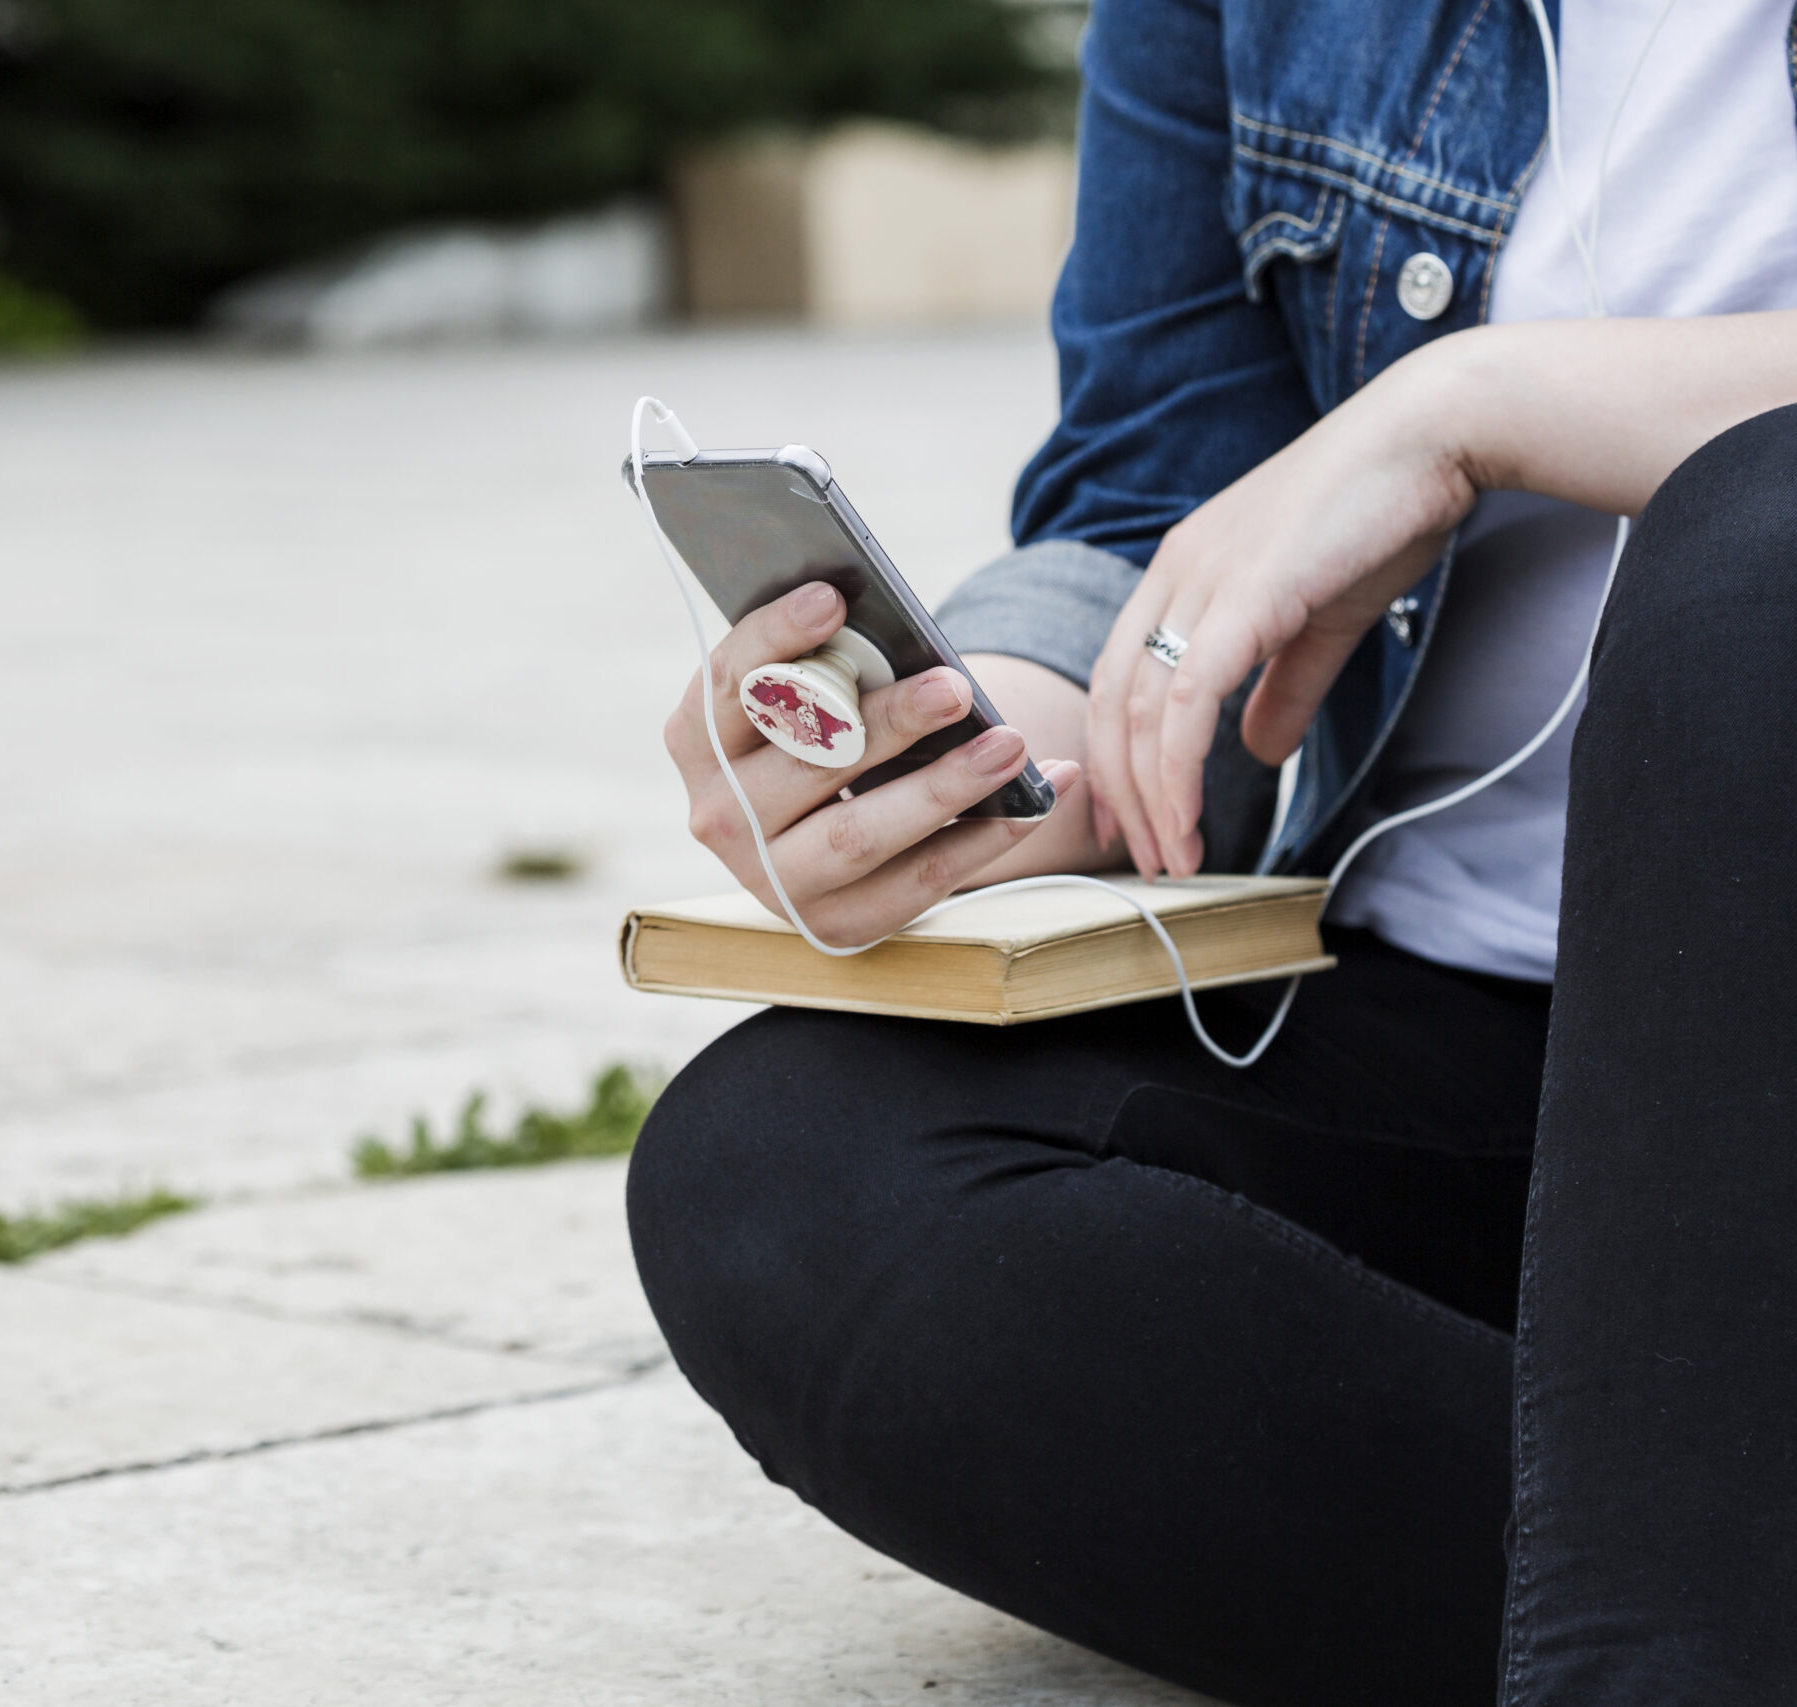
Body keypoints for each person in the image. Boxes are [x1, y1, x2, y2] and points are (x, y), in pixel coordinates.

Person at [624, 2, 1797, 1704]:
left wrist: (1476, 403)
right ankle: (1687, 1571)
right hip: (1486, 1033)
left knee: (1763, 539)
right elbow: (1152, 488)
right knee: (791, 1179)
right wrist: (979, 755)